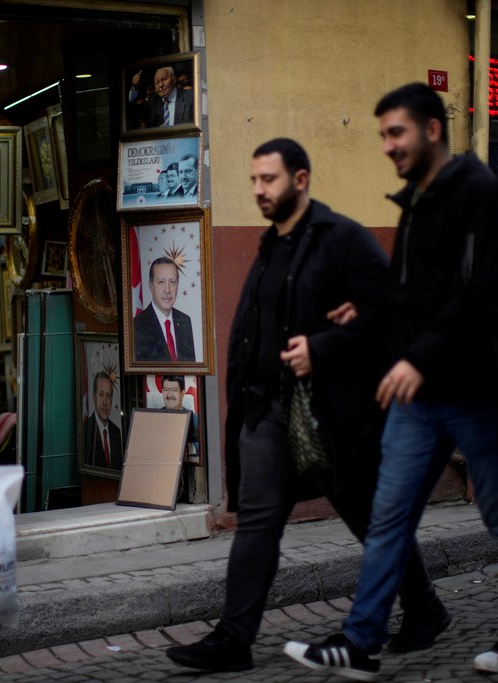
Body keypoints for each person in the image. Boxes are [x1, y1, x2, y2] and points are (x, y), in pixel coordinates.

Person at [285, 83, 498, 680]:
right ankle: (362, 639)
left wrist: (417, 359)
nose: (387, 146)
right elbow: (412, 297)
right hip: (421, 397)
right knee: (389, 514)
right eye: (383, 135)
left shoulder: (478, 193)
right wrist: (368, 315)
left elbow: (477, 296)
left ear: (432, 129)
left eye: (396, 133)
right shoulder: (418, 199)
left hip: (479, 390)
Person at [166, 138, 447, 673]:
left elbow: (391, 307)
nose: (258, 190)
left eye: (268, 180)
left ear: (301, 180)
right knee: (258, 522)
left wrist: (323, 347)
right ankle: (234, 638)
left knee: (368, 518)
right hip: (269, 412)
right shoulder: (271, 245)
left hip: (333, 416)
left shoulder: (342, 239)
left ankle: (425, 608)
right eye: (253, 180)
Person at [133, 257, 195, 362]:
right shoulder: (138, 325)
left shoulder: (184, 321)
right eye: (161, 282)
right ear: (151, 286)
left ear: (177, 285)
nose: (167, 290)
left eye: (172, 282)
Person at [84, 371, 122, 470]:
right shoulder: (85, 430)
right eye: (101, 394)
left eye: (108, 395)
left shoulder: (116, 432)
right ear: (94, 397)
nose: (105, 402)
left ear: (112, 399)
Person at [161, 374, 198, 449]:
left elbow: (202, 446)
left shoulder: (194, 420)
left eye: (174, 390)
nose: (169, 395)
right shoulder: (154, 417)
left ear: (182, 394)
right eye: (165, 390)